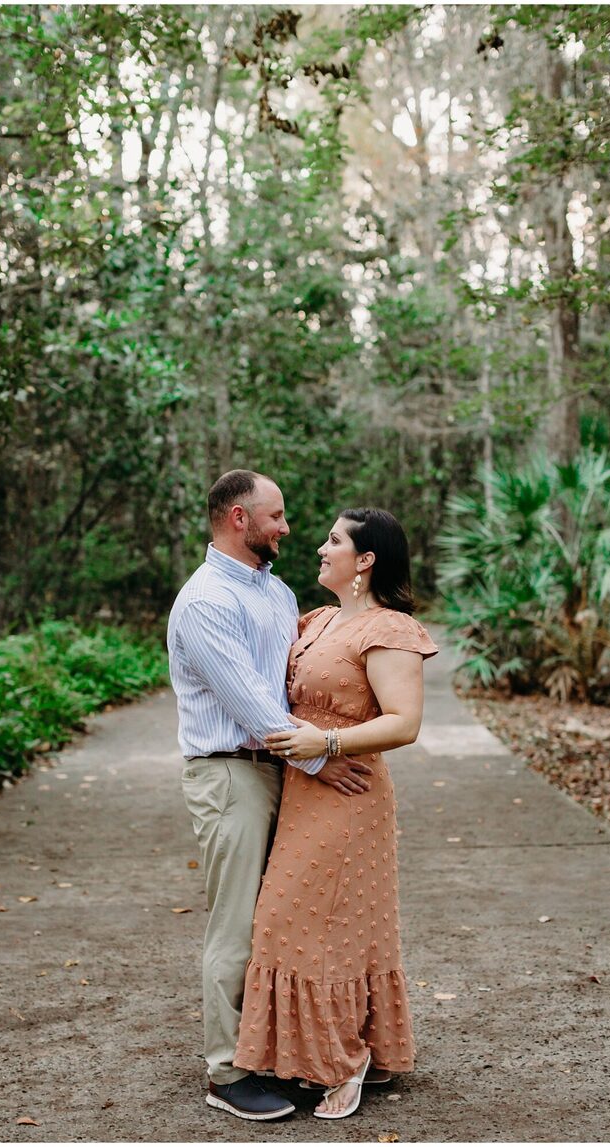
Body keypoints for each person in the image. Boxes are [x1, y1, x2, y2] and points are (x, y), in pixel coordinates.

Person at [167, 470, 375, 1122]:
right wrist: (325, 759)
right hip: (232, 774)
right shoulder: (205, 602)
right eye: (277, 516)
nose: (288, 528)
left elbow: (301, 678)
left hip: (282, 772)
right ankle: (226, 1071)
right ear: (238, 518)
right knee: (235, 922)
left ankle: (282, 1051)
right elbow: (256, 708)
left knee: (284, 920)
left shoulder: (279, 592)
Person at [233, 507, 438, 1119]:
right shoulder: (317, 620)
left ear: (366, 558)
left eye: (333, 540)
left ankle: (343, 1063)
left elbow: (405, 723)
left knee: (312, 925)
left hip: (349, 793)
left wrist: (327, 744)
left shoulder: (390, 628)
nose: (320, 548)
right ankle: (353, 1049)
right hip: (304, 791)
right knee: (301, 922)